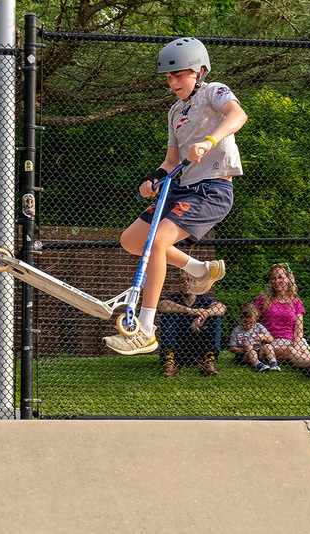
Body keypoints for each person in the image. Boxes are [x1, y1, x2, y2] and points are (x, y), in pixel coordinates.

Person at [103, 37, 247, 355]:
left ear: (199, 71)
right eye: (169, 77)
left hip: (212, 189)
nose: (173, 82)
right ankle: (198, 269)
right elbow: (171, 162)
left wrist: (208, 142)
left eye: (179, 74)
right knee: (132, 240)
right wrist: (153, 179)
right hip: (182, 187)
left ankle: (145, 328)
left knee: (157, 241)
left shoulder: (214, 91)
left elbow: (238, 116)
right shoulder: (175, 112)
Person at [255, 263, 310, 379]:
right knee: (290, 351)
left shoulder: (296, 302)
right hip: (272, 342)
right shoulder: (263, 299)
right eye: (273, 278)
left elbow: (299, 328)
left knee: (303, 350)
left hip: (292, 340)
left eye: (280, 277)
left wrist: (297, 344)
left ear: (288, 279)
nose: (276, 281)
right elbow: (254, 322)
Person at [157, 274, 225, 377]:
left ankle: (208, 363)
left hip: (199, 351)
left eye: (190, 280)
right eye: (182, 280)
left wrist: (204, 315)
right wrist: (191, 311)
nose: (186, 282)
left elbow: (221, 308)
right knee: (168, 316)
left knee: (215, 317)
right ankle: (170, 364)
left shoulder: (204, 300)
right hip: (177, 351)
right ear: (179, 284)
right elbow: (162, 306)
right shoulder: (173, 299)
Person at [229, 302, 279, 372]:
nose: (248, 325)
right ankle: (259, 365)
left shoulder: (258, 326)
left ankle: (273, 363)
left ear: (255, 319)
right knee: (252, 352)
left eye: (251, 322)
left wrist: (263, 336)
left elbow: (271, 339)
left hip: (259, 352)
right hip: (245, 355)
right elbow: (232, 348)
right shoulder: (236, 330)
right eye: (245, 322)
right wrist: (242, 349)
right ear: (240, 318)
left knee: (267, 346)